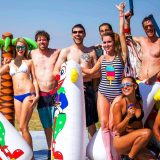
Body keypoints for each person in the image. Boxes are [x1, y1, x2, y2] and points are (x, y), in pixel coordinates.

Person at [82, 2, 127, 159]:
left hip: (117, 96)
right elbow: (91, 72)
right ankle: (109, 155)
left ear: (113, 42)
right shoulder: (101, 57)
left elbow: (121, 33)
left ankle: (118, 154)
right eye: (104, 42)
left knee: (114, 126)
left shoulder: (121, 56)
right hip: (102, 93)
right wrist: (74, 68)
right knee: (104, 125)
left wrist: (121, 13)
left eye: (109, 42)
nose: (107, 45)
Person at [53, 24, 98, 139]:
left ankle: (92, 154)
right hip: (70, 89)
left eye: (80, 32)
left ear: (84, 34)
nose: (78, 34)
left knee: (91, 123)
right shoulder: (66, 51)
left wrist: (94, 90)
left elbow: (97, 73)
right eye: (75, 32)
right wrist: (70, 83)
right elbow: (55, 72)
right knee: (71, 121)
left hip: (87, 89)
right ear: (72, 34)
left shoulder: (91, 52)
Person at [0, 37, 39, 159]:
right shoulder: (10, 63)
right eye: (18, 47)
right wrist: (4, 64)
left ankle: (31, 156)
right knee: (22, 127)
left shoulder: (29, 62)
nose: (20, 49)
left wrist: (37, 95)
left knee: (23, 126)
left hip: (28, 94)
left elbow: (35, 79)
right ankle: (29, 154)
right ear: (15, 48)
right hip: (16, 97)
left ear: (25, 48)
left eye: (23, 47)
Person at [29, 30, 60, 160]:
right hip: (41, 94)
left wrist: (95, 48)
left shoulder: (56, 52)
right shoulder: (31, 54)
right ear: (36, 42)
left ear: (48, 40)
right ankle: (49, 151)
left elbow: (73, 52)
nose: (42, 41)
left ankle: (58, 149)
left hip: (56, 92)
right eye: (39, 39)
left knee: (58, 123)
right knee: (46, 125)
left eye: (44, 39)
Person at [124, 13, 160, 123]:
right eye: (146, 27)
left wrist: (157, 76)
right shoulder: (142, 40)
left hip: (155, 82)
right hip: (141, 81)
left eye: (151, 25)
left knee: (141, 115)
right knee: (135, 111)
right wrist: (127, 20)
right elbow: (127, 36)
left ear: (155, 26)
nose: (149, 28)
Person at [112, 76, 156, 160]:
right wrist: (128, 117)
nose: (125, 87)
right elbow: (116, 130)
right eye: (122, 85)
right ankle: (129, 158)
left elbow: (140, 124)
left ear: (135, 86)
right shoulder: (119, 105)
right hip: (121, 141)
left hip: (136, 142)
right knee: (147, 132)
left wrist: (143, 143)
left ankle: (131, 155)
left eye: (128, 84)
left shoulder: (139, 102)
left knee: (152, 159)